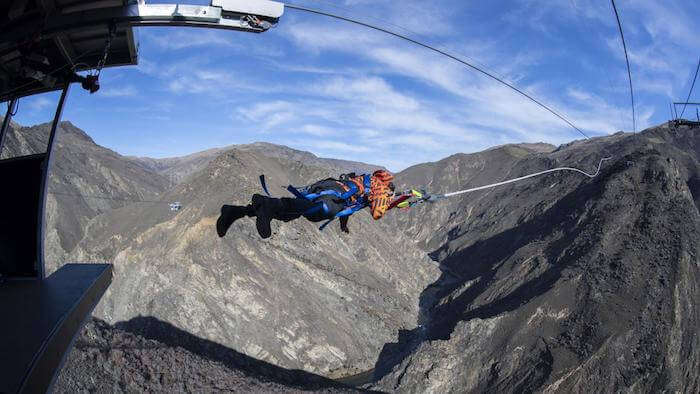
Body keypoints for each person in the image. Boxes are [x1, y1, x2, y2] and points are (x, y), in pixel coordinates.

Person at [216, 170, 396, 239]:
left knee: (296, 209)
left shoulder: (366, 181)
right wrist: (387, 199)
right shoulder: (379, 188)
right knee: (313, 210)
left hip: (331, 191)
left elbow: (351, 203)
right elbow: (377, 213)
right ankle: (266, 205)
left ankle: (235, 211)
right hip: (332, 198)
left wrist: (343, 225)